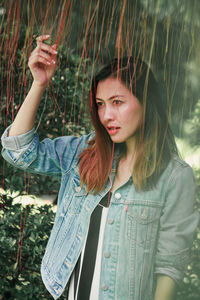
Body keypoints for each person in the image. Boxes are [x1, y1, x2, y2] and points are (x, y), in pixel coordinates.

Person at [1, 35, 199, 300]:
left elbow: (170, 266)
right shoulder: (83, 153)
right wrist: (39, 83)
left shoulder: (175, 177)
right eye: (100, 104)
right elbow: (18, 152)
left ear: (146, 102)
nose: (106, 115)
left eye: (117, 102)